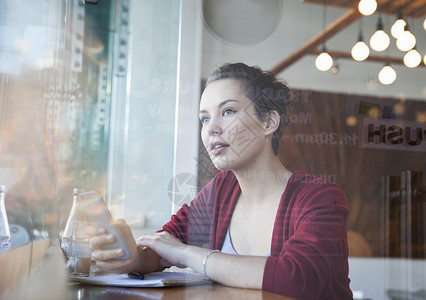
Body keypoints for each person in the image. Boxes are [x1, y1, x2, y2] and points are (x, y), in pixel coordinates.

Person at [89, 63, 353, 299]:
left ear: (268, 122)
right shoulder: (220, 191)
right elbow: (163, 247)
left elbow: (296, 281)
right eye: (205, 118)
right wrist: (127, 257)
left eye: (227, 111)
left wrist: (186, 254)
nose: (212, 128)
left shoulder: (320, 197)